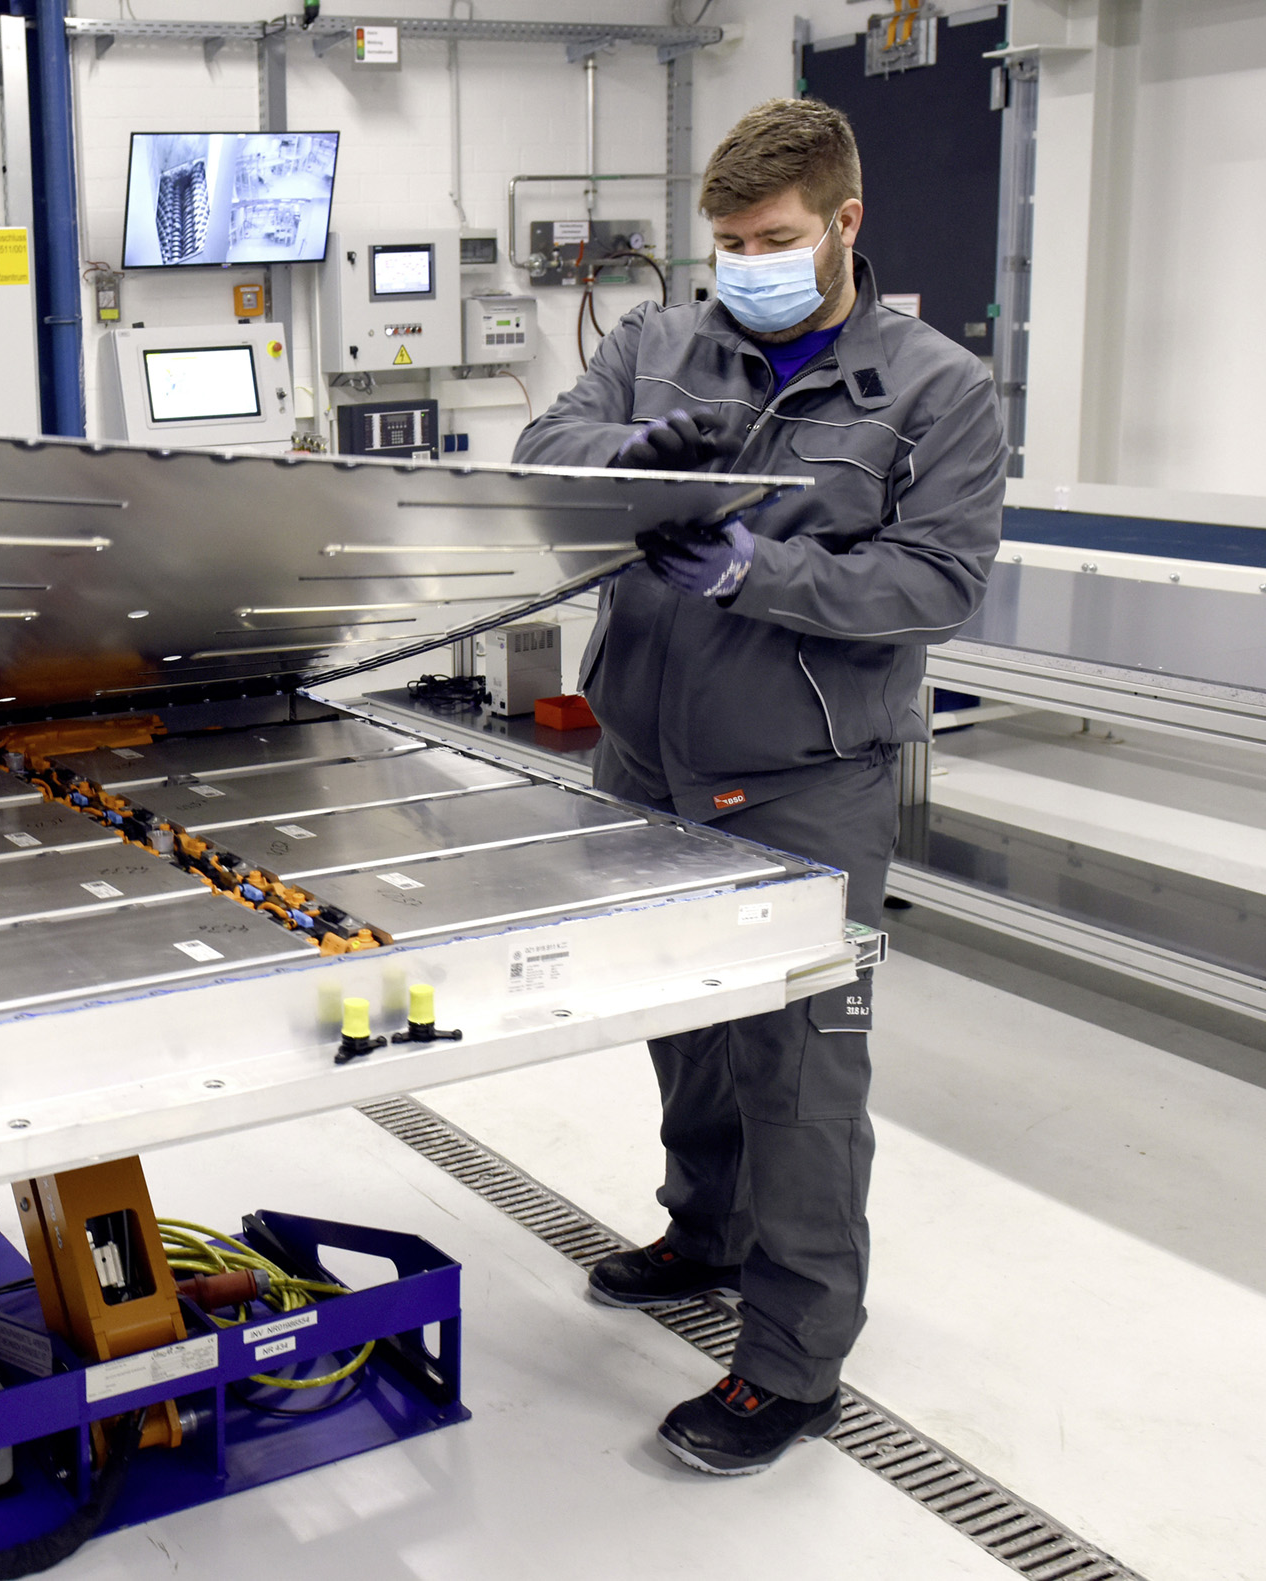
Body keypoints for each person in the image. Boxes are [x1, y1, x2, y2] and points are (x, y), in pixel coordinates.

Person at [514, 99, 1004, 1475]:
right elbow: (544, 450)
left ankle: (792, 1359)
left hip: (805, 776)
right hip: (642, 754)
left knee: (799, 1069)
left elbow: (939, 580)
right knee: (682, 1024)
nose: (746, 264)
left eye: (774, 239)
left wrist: (754, 570)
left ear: (845, 221)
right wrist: (631, 461)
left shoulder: (937, 390)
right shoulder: (657, 342)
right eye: (728, 243)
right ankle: (708, 1230)